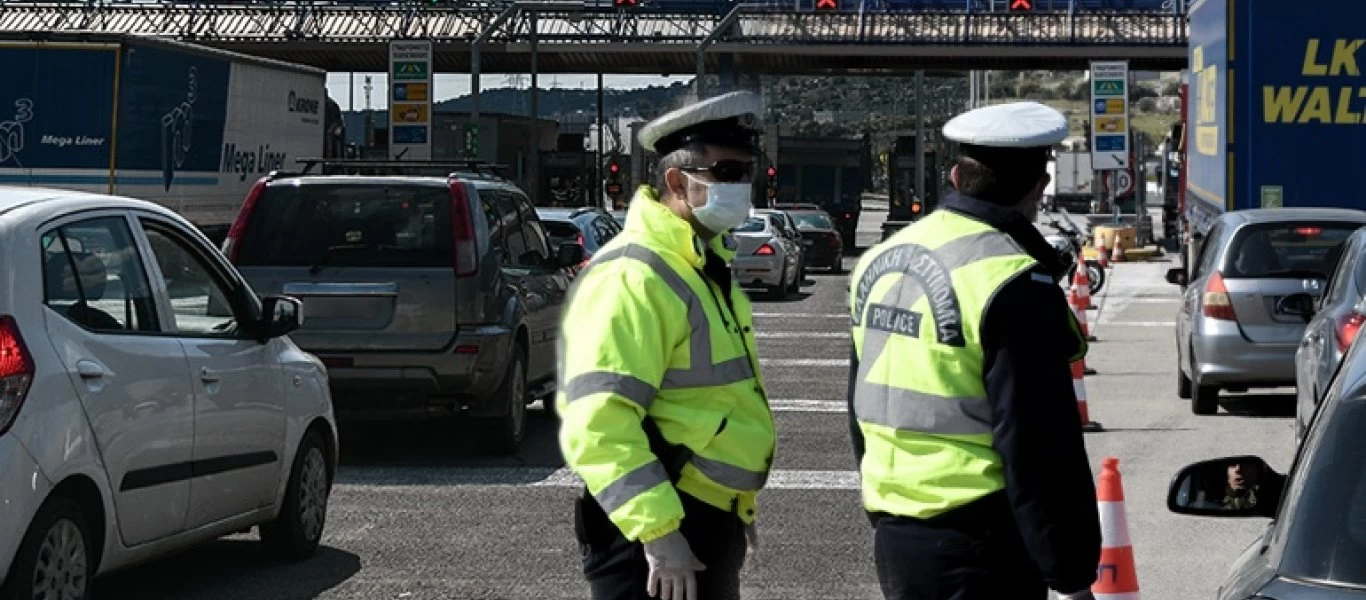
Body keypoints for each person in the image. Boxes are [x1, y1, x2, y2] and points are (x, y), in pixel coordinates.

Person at [846, 101, 1102, 600]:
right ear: (1039, 186)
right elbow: (1037, 444)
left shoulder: (880, 260)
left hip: (896, 533)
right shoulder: (1011, 280)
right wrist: (1070, 573)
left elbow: (859, 403)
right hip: (982, 544)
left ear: (957, 176)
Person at [556, 90, 777, 600]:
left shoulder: (700, 264)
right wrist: (660, 534)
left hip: (701, 516)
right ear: (677, 180)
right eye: (726, 172)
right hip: (657, 532)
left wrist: (734, 507)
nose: (741, 186)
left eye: (747, 173)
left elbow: (707, 404)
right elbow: (600, 420)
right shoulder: (637, 274)